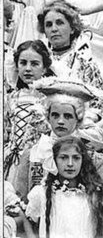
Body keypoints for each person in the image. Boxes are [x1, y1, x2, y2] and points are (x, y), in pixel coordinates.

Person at [26, 136, 103, 238]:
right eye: (63, 157)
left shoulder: (93, 194)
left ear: (83, 161)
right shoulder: (41, 194)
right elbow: (26, 223)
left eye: (76, 158)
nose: (70, 164)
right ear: (54, 160)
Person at [13, 78, 103, 200]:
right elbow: (22, 196)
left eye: (68, 116)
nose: (60, 121)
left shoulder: (92, 156)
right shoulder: (35, 153)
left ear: (78, 120)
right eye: (55, 115)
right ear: (48, 117)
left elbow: (100, 201)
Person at [4, 40, 52, 186]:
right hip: (13, 161)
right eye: (23, 63)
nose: (28, 69)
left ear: (44, 68)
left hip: (38, 161)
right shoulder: (11, 98)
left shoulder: (49, 98)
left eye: (35, 64)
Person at [37, 0, 103, 92]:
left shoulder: (84, 61)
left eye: (59, 23)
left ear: (72, 28)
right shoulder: (39, 58)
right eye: (48, 25)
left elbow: (97, 98)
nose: (54, 29)